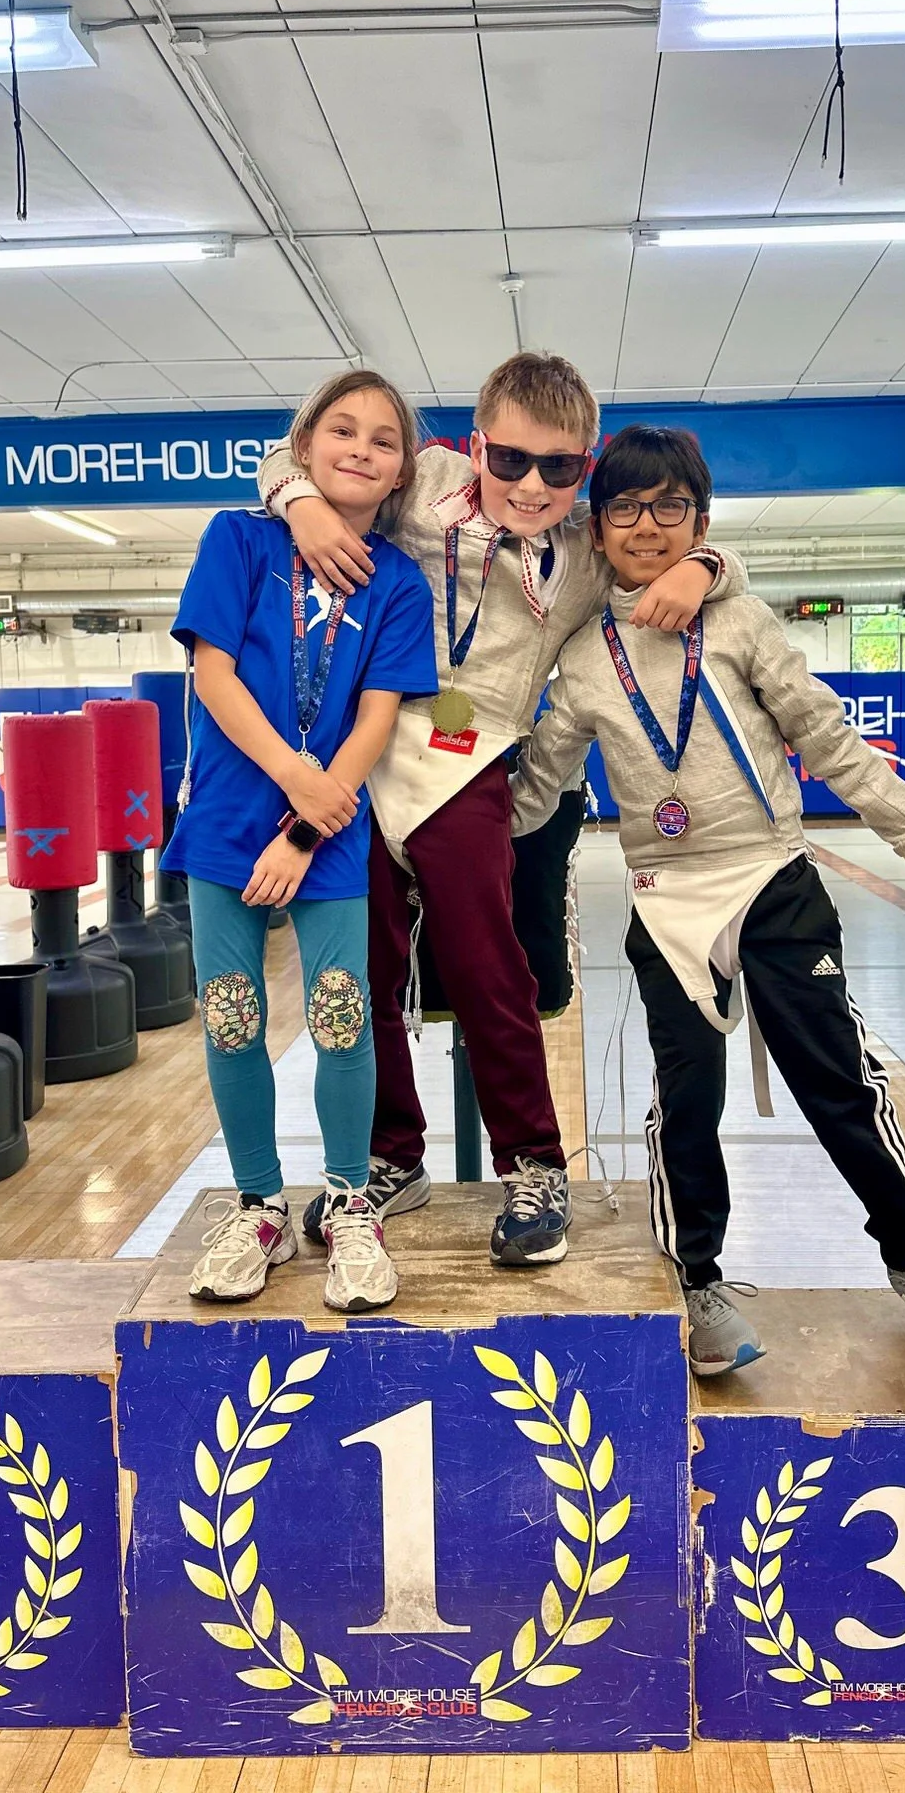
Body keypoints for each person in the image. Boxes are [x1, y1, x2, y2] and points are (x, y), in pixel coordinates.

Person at [510, 424, 905, 1377]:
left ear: (700, 521)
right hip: (664, 898)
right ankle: (700, 1284)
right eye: (625, 507)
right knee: (685, 1103)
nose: (647, 526)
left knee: (841, 1086)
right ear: (597, 525)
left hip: (773, 878)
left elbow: (827, 735)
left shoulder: (736, 620)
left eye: (670, 509)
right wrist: (436, 832)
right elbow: (542, 786)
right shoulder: (580, 656)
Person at [257, 353, 744, 1267]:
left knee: (491, 971)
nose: (530, 485)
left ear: (585, 466)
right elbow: (288, 458)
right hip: (355, 745)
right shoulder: (425, 480)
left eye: (560, 469)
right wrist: (305, 505)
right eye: (511, 460)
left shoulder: (594, 553)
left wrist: (706, 566)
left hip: (469, 756)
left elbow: (684, 555)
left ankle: (535, 1163)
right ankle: (389, 1155)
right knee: (352, 978)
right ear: (475, 444)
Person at [162, 371, 438, 1313]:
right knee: (232, 1015)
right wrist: (293, 783)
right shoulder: (238, 539)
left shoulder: (398, 583)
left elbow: (377, 718)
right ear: (305, 445)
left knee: (342, 1016)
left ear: (402, 471)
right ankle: (258, 1207)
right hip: (229, 828)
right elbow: (215, 676)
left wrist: (315, 815)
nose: (361, 448)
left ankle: (351, 1204)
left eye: (383, 440)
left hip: (330, 831)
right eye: (342, 430)